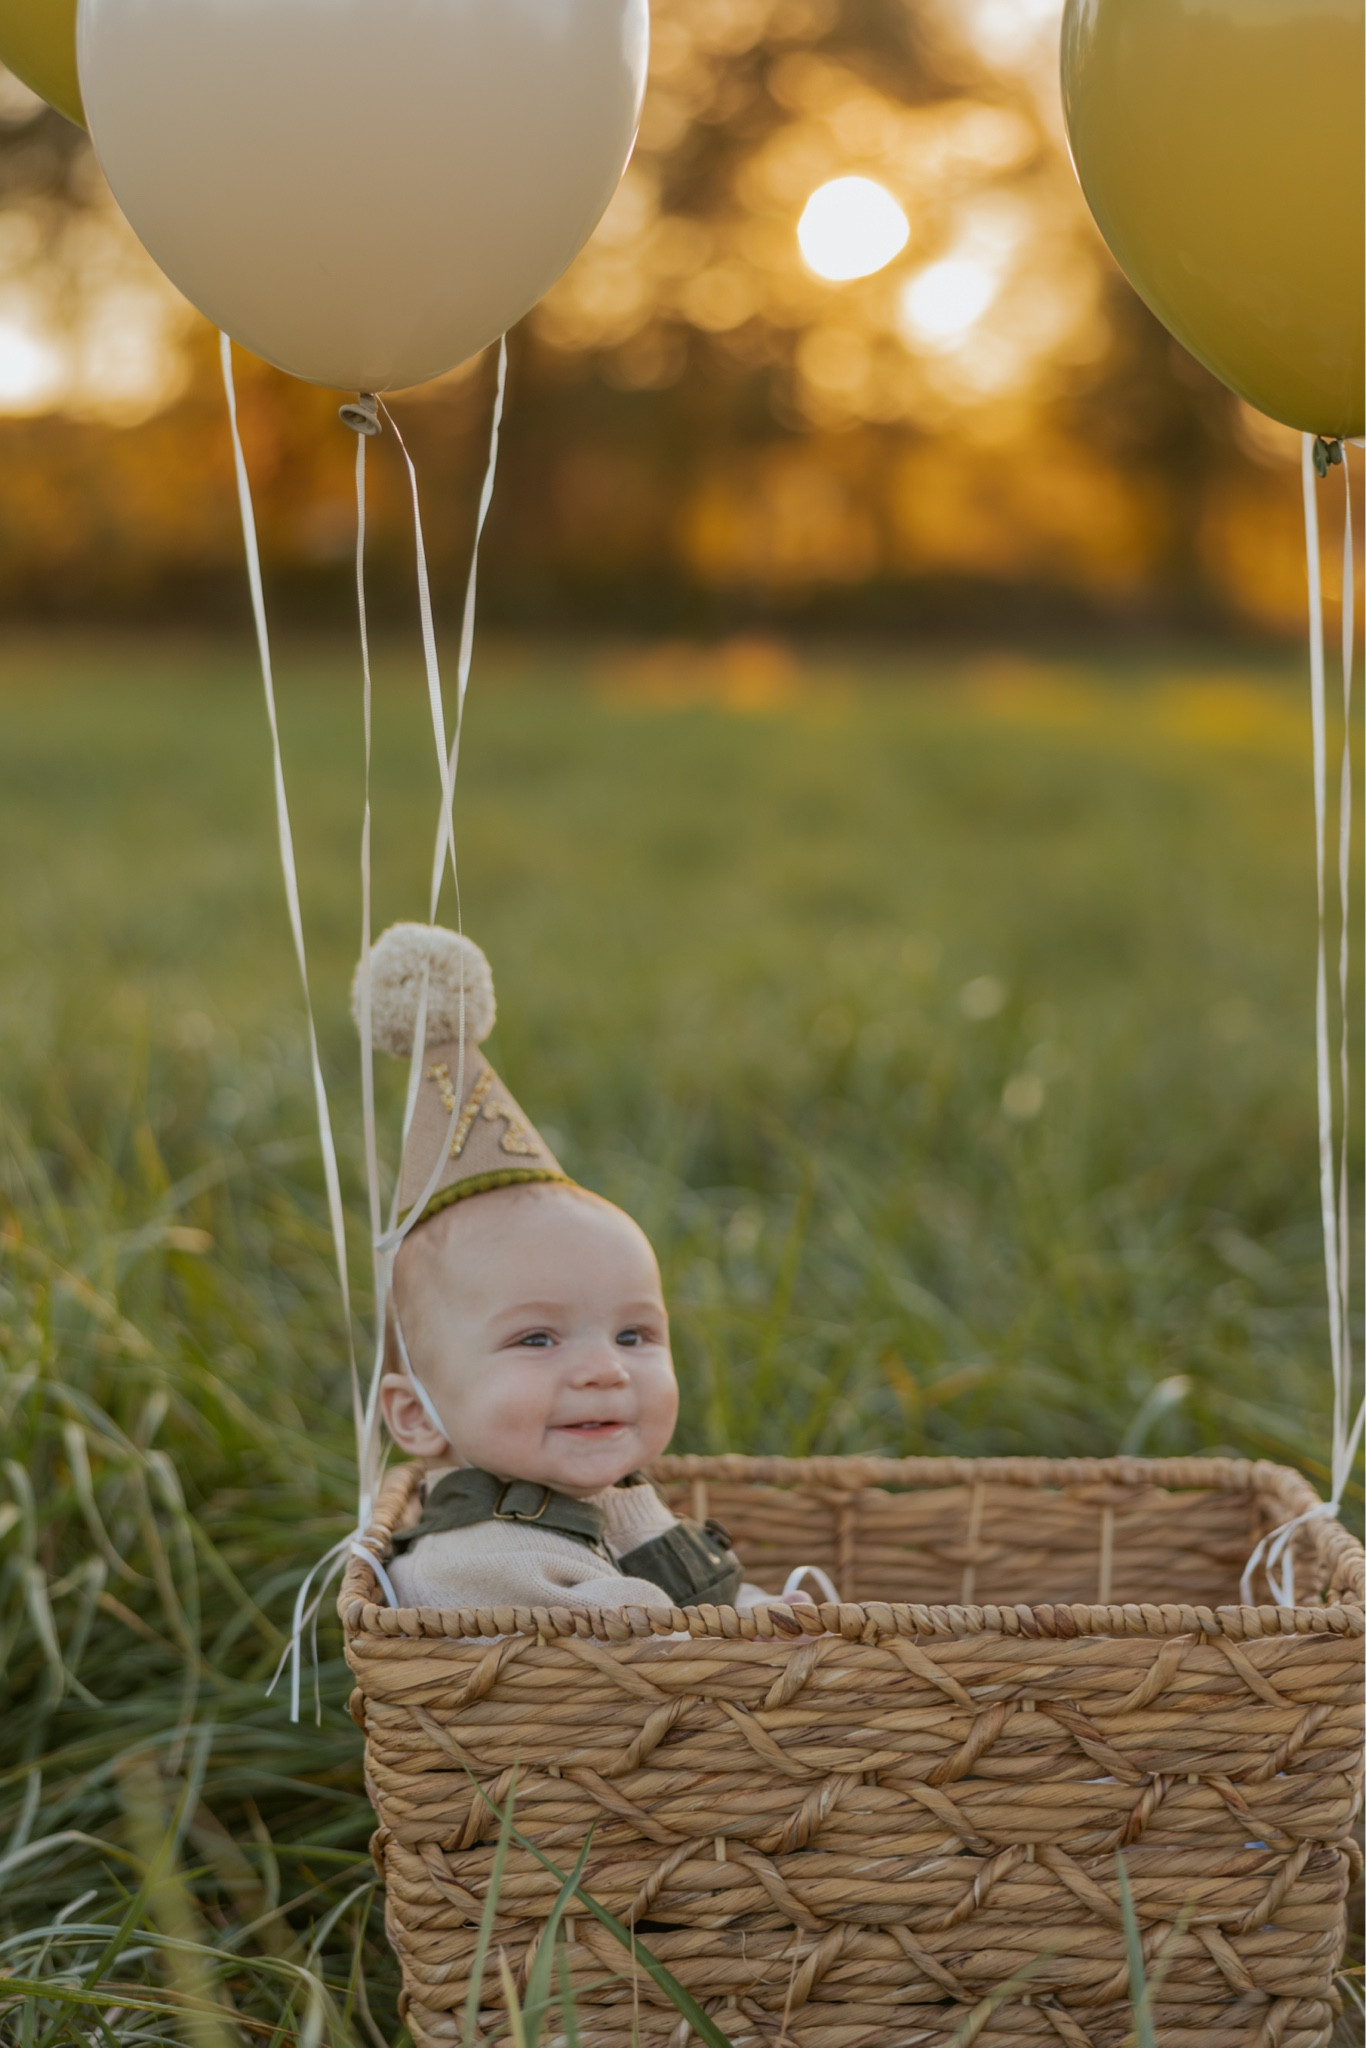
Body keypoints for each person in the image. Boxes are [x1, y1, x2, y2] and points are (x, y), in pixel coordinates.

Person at [364, 923, 809, 1616]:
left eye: (634, 1336)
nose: (606, 1369)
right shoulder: (471, 1565)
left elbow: (703, 1607)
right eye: (537, 1339)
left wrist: (764, 1614)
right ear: (420, 1415)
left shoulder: (619, 1499)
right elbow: (640, 1658)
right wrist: (750, 1645)